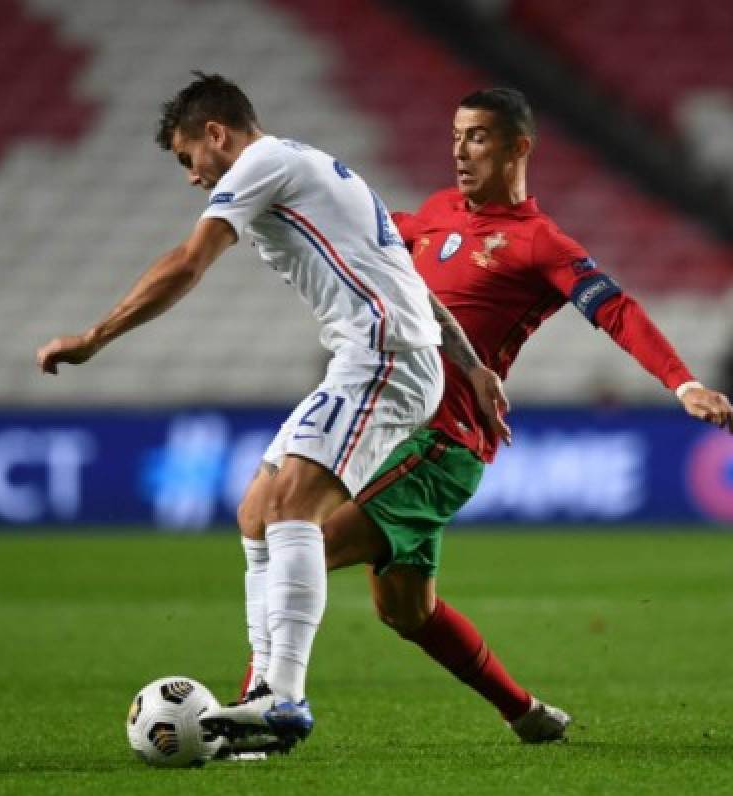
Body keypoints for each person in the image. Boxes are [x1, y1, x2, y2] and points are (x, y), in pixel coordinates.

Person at [229, 87, 733, 749]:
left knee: (301, 543)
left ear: (517, 148)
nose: (460, 152)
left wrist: (683, 382)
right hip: (391, 429)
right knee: (408, 612)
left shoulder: (539, 243)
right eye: (455, 135)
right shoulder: (436, 213)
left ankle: (258, 710)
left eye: (477, 137)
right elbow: (373, 242)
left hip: (441, 444)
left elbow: (614, 309)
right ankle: (523, 711)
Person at [35, 73, 505, 750]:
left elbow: (188, 263)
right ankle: (264, 704)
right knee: (257, 511)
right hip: (381, 354)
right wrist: (472, 364)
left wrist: (93, 338)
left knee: (292, 509)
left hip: (384, 357)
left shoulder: (263, 164)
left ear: (216, 134)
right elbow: (407, 277)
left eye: (186, 157)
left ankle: (283, 698)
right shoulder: (310, 169)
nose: (192, 177)